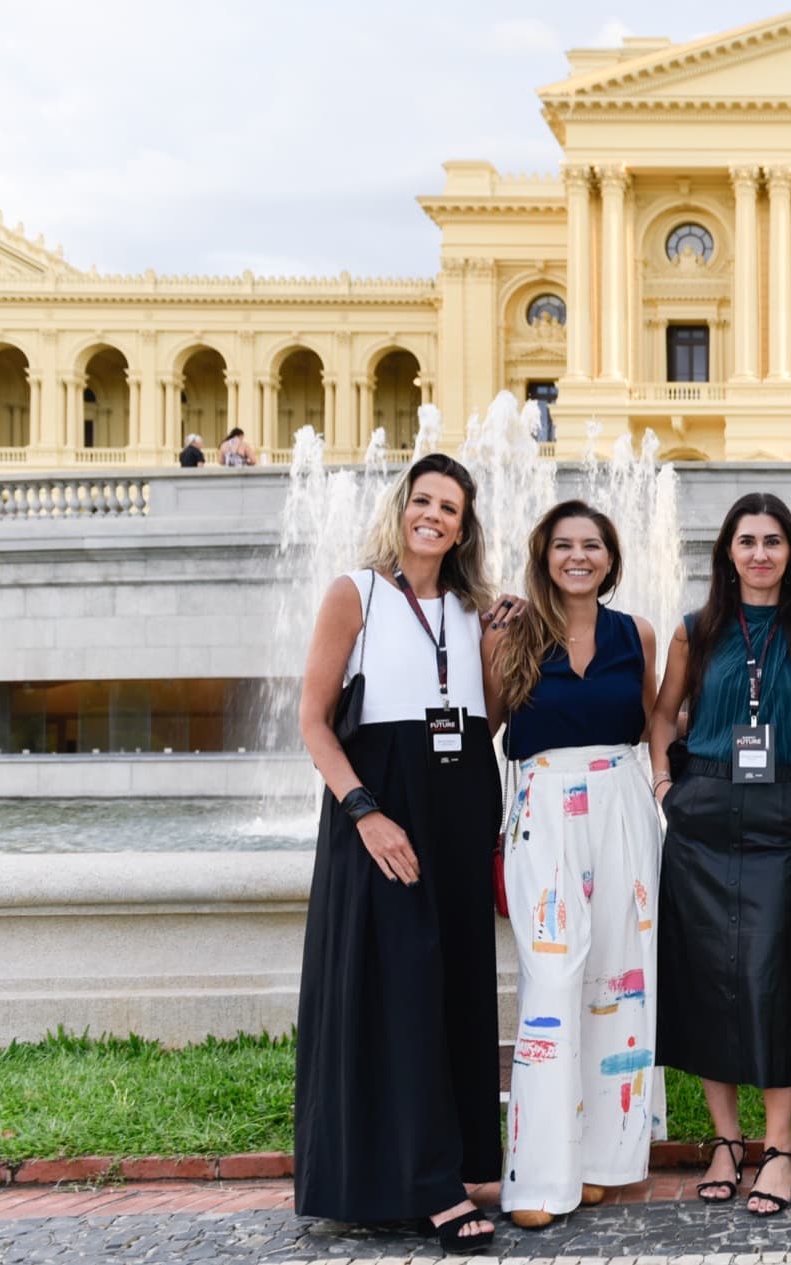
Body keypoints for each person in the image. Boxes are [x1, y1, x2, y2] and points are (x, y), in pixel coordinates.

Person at [294, 453, 507, 1254]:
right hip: (383, 806)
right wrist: (366, 814)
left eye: (450, 507)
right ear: (403, 506)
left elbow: (488, 716)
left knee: (454, 988)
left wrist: (509, 639)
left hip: (457, 806)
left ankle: (455, 1165)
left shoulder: (471, 608)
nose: (434, 516)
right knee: (399, 991)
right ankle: (424, 1186)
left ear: (464, 524)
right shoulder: (356, 592)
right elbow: (314, 719)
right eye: (424, 500)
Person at [647, 493, 791, 1217]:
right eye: (746, 540)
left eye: (772, 540)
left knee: (768, 975)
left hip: (777, 818)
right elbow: (664, 712)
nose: (759, 553)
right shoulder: (694, 629)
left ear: (790, 552)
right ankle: (726, 1142)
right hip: (700, 808)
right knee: (707, 977)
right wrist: (666, 782)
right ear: (727, 553)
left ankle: (780, 1145)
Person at [490, 499, 664, 1230]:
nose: (578, 556)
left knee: (620, 982)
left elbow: (653, 721)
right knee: (553, 982)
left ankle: (602, 1162)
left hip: (623, 806)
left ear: (610, 556)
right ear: (544, 554)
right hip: (545, 806)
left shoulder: (637, 633)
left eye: (591, 544)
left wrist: (664, 791)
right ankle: (539, 1173)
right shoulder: (511, 630)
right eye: (563, 545)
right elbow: (489, 724)